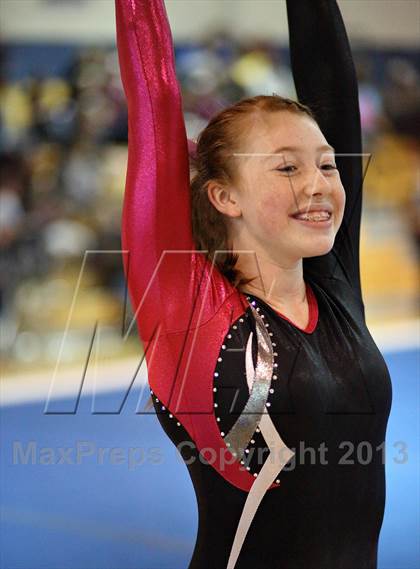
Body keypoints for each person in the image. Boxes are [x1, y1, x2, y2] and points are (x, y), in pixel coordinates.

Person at [115, 1, 393, 568]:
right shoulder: (192, 312)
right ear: (224, 195)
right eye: (287, 168)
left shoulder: (334, 286)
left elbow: (333, 88)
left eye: (327, 165)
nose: (318, 185)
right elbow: (154, 98)